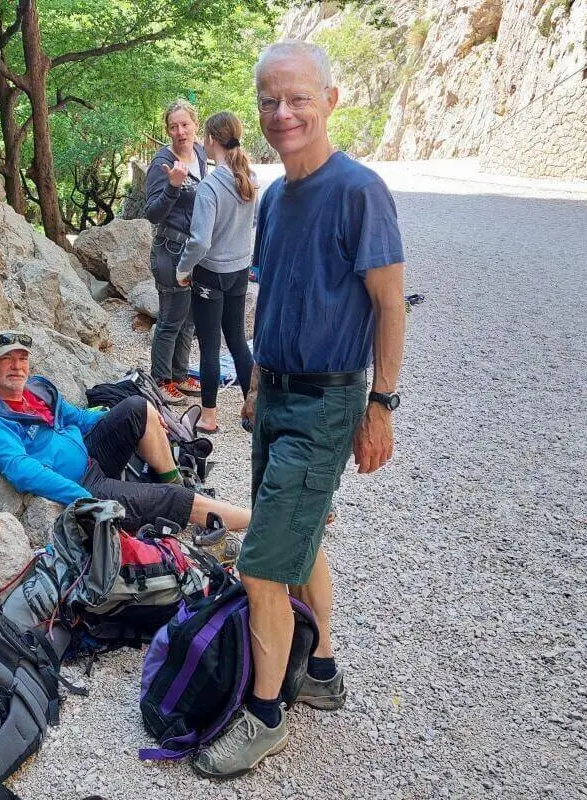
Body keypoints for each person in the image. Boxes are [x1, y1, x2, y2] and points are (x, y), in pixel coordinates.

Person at [192, 41, 406, 779]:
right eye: (269, 101)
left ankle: (264, 716)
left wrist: (381, 404)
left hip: (327, 402)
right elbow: (272, 292)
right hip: (277, 391)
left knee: (260, 566)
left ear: (330, 99)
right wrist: (253, 381)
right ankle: (321, 669)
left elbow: (387, 305)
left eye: (298, 98)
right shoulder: (277, 197)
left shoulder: (360, 192)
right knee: (300, 536)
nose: (282, 113)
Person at [0, 330, 255, 534]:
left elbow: (77, 417)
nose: (17, 366)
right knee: (173, 501)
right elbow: (21, 470)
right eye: (6, 359)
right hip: (86, 484)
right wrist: (82, 496)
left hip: (90, 453)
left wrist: (131, 416)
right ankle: (258, 523)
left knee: (138, 405)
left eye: (22, 358)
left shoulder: (36, 388)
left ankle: (177, 481)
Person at [173, 111, 258, 435]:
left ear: (210, 139)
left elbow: (200, 241)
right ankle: (253, 407)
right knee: (237, 339)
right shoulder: (247, 177)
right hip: (239, 270)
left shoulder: (210, 186)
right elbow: (249, 226)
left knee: (209, 345)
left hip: (211, 273)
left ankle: (209, 417)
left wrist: (184, 269)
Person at [144, 99, 208, 404]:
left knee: (190, 317)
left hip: (195, 250)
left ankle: (180, 375)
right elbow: (152, 214)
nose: (180, 131)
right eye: (173, 126)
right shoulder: (161, 164)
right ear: (167, 130)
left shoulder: (200, 154)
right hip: (170, 249)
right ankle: (160, 379)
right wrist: (172, 186)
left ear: (195, 124)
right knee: (171, 318)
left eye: (185, 124)